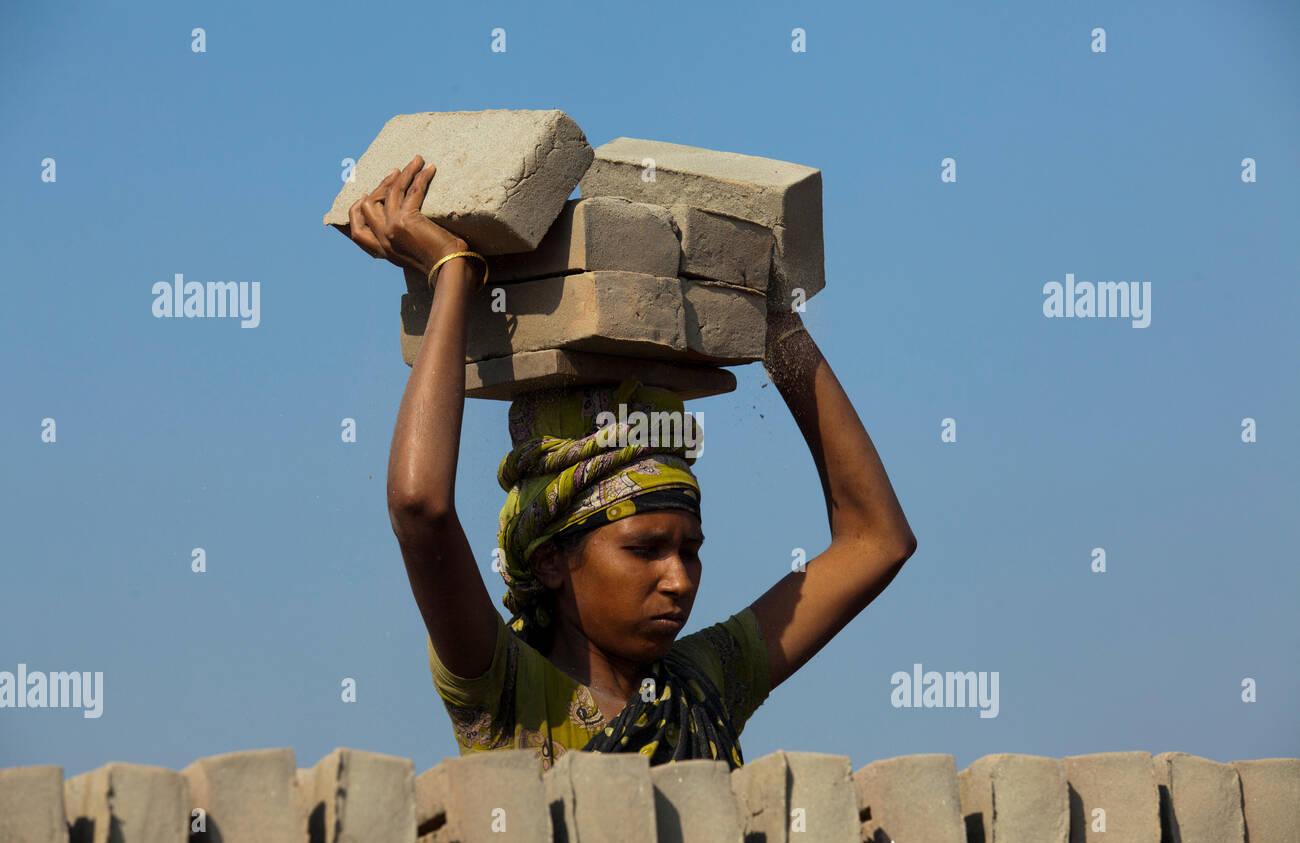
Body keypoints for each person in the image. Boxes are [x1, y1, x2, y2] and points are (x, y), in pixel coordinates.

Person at [348, 155, 917, 771]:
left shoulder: (704, 686)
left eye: (690, 550)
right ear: (550, 560)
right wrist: (453, 274)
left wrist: (772, 320)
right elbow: (419, 507)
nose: (680, 579)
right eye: (646, 550)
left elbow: (877, 540)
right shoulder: (508, 689)